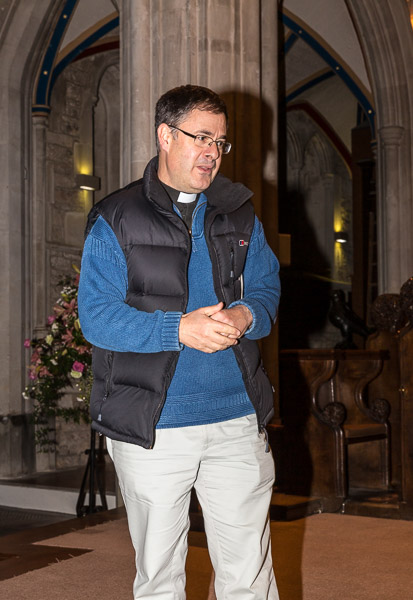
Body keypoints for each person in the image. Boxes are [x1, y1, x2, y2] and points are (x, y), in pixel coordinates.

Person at [78, 84, 281, 600]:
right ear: (166, 136)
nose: (213, 151)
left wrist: (244, 313)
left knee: (249, 576)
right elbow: (97, 319)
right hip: (156, 425)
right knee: (161, 577)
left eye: (222, 141)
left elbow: (267, 288)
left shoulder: (239, 212)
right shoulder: (115, 218)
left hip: (236, 417)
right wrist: (178, 329)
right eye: (202, 137)